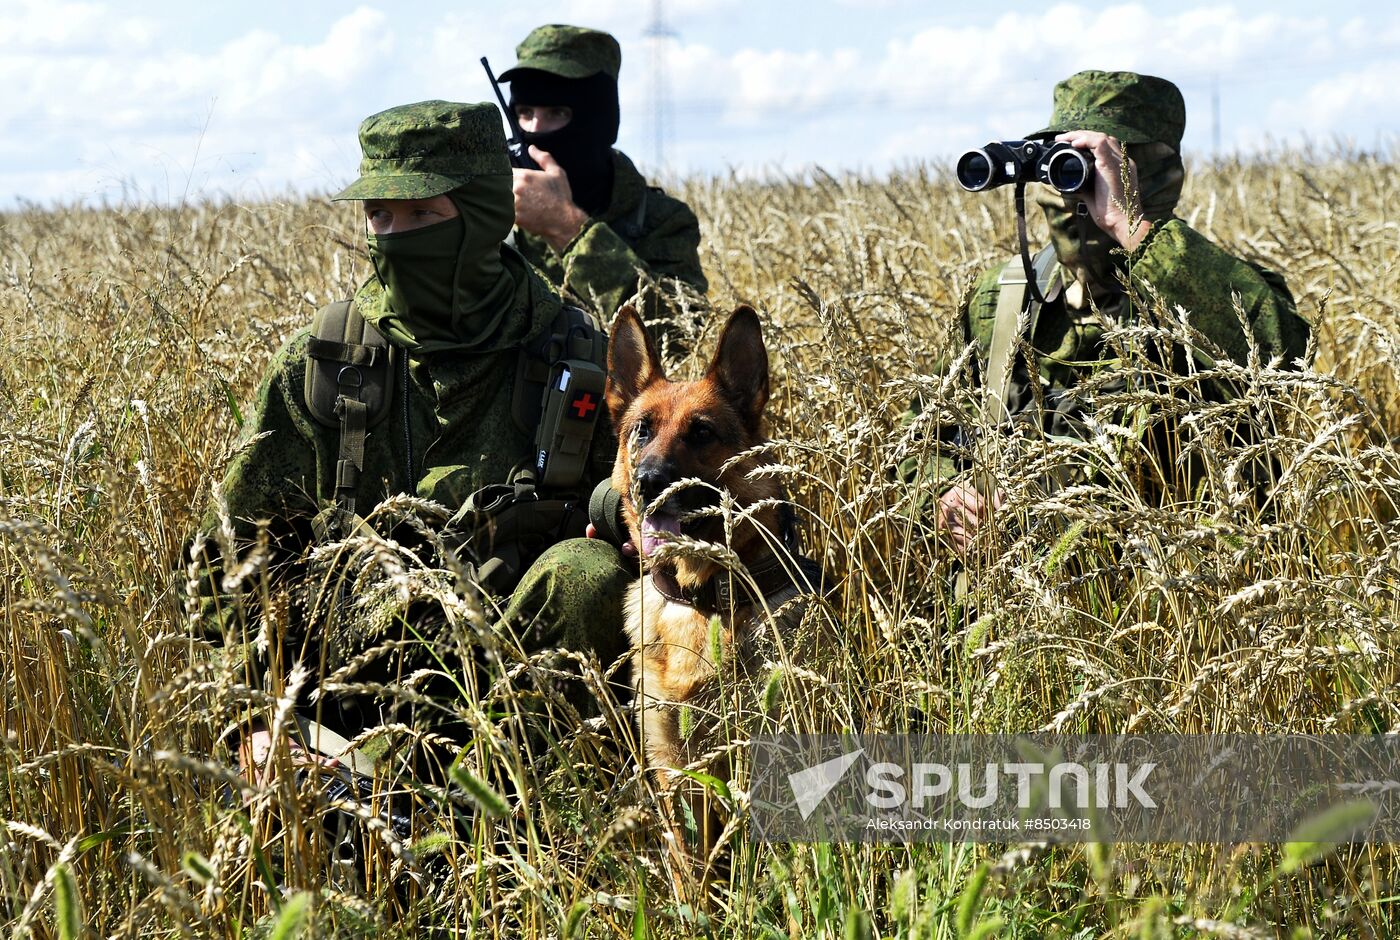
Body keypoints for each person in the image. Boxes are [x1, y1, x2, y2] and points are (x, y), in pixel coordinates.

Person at [187, 100, 631, 776]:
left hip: (517, 679)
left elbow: (636, 508)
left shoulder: (572, 355)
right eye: (380, 216)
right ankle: (385, 798)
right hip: (346, 685)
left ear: (485, 214)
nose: (397, 238)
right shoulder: (326, 360)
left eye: (423, 215)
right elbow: (230, 559)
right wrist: (252, 721)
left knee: (589, 574)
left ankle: (498, 807)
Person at [909, 71, 1311, 549]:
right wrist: (942, 492)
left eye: (1096, 166)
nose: (1073, 190)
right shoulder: (1002, 297)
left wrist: (1132, 228)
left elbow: (1282, 367)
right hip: (1016, 586)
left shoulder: (1209, 289)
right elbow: (921, 438)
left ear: (1151, 173)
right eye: (1061, 163)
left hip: (1177, 588)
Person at [498, 24, 708, 350]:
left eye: (556, 112)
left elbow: (679, 339)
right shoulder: (490, 214)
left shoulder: (662, 221)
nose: (535, 130)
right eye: (525, 113)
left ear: (597, 120)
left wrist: (567, 228)